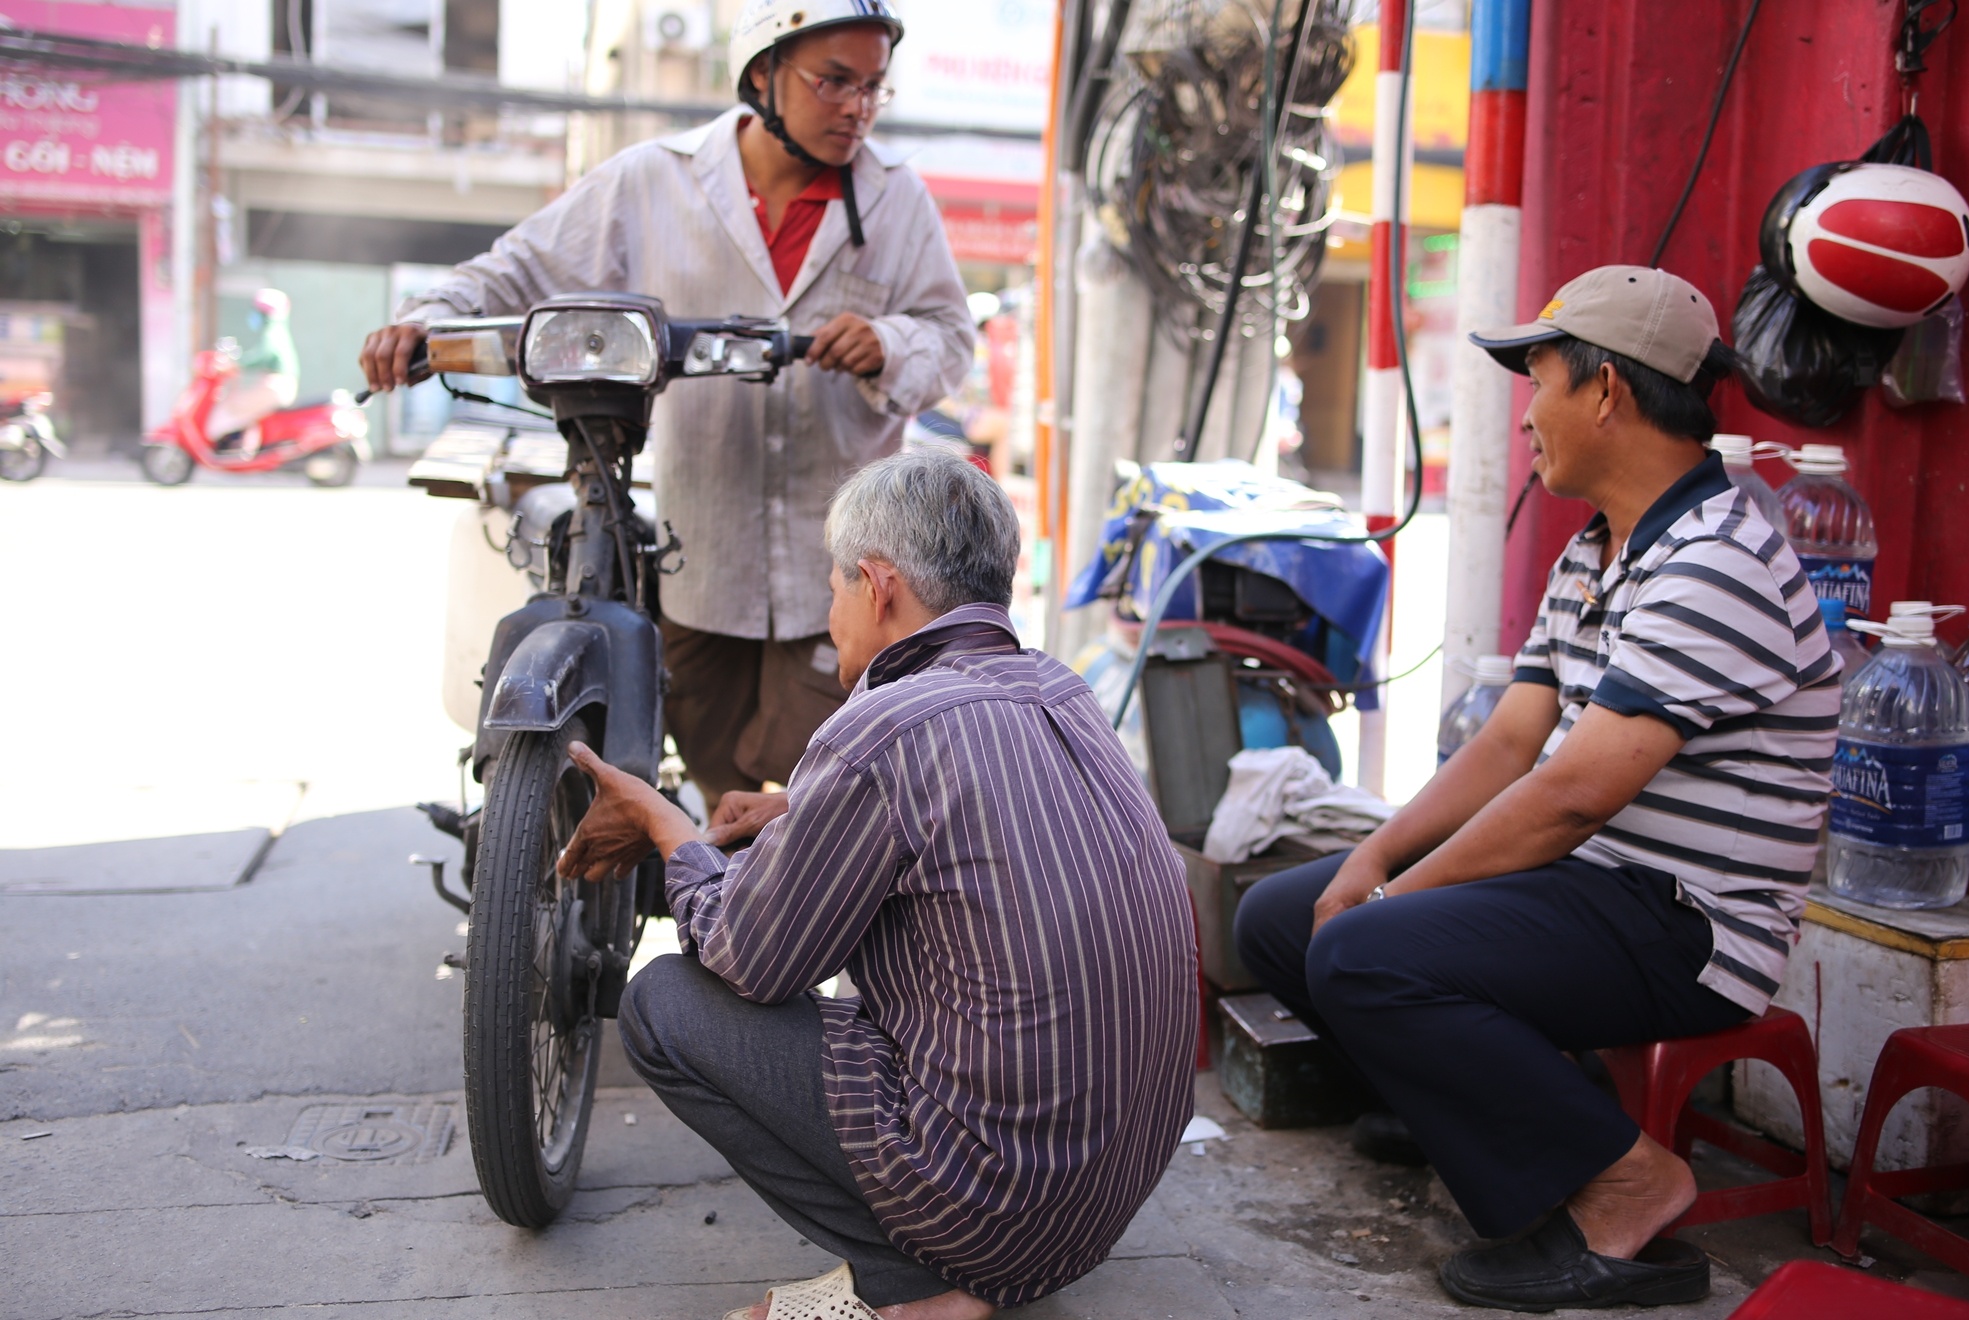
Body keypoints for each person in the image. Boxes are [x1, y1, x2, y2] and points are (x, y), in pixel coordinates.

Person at [1235, 266, 1842, 1311]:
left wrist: (1390, 905)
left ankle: (1628, 1185)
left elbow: (1576, 794)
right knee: (1283, 917)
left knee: (1364, 949)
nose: (1528, 419)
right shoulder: (1601, 547)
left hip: (1684, 924)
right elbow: (1514, 741)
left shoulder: (1718, 560)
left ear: (1608, 392)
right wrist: (1377, 858)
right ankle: (1458, 1107)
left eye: (1543, 383)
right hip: (1592, 887)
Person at [556, 450, 1198, 1320]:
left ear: (877, 584)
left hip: (1004, 1214)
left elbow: (753, 960)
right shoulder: (1061, 690)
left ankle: (917, 1281)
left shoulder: (879, 727)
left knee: (664, 1003)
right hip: (1106, 1198)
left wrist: (668, 825)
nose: (831, 618)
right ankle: (971, 1267)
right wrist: (798, 811)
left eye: (834, 589)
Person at [358, 0, 972, 804]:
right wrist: (427, 318)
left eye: (872, 88)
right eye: (833, 82)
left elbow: (952, 338)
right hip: (700, 558)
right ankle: (730, 918)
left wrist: (892, 343)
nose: (857, 108)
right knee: (715, 779)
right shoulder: (652, 181)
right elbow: (519, 269)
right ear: (763, 76)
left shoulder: (897, 200)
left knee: (817, 791)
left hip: (842, 571)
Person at [209, 288, 300, 456]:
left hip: (275, 386)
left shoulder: (272, 332)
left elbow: (264, 355)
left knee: (233, 407)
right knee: (249, 414)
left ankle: (229, 448)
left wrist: (238, 362)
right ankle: (241, 448)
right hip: (277, 386)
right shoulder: (276, 331)